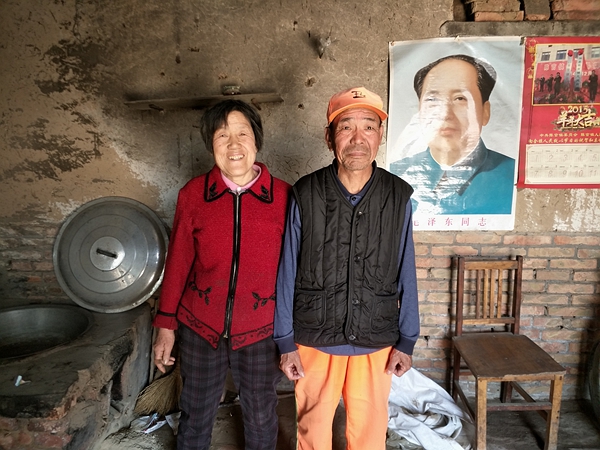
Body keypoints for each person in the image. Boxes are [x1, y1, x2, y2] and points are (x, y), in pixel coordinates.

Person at [274, 86, 420, 450]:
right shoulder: (305, 193)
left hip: (376, 336)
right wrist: (285, 341)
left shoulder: (398, 196)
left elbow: (407, 271)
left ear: (380, 135)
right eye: (345, 127)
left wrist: (407, 340)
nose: (358, 138)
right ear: (329, 137)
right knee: (312, 428)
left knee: (370, 431)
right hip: (314, 336)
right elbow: (287, 271)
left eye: (368, 126)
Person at [152, 99, 291, 450]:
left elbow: (296, 270)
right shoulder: (193, 195)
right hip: (201, 325)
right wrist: (165, 324)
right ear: (210, 143)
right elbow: (178, 262)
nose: (233, 144)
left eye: (242, 133)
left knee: (261, 415)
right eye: (222, 135)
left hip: (261, 329)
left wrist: (292, 337)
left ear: (256, 140)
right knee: (195, 412)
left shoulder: (283, 197)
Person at [389, 54, 515, 215]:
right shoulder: (395, 175)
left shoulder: (511, 176)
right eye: (432, 99)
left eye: (460, 98)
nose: (444, 114)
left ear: (485, 111)